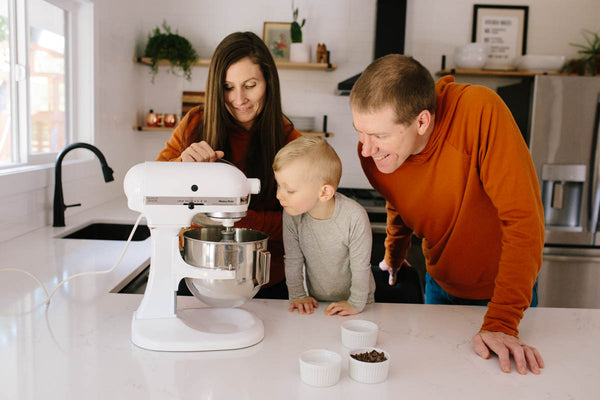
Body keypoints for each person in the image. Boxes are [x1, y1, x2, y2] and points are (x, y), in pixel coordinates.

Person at [349, 54, 545, 374]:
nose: (366, 150)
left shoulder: (480, 112)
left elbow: (524, 222)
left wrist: (502, 321)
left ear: (422, 122)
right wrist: (394, 255)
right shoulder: (372, 154)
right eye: (360, 131)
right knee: (437, 382)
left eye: (380, 136)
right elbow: (398, 197)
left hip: (504, 299)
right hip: (439, 288)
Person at [156, 31, 302, 299]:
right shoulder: (194, 124)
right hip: (194, 275)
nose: (238, 99)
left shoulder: (289, 139)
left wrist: (239, 218)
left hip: (264, 283)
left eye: (250, 85)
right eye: (227, 87)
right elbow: (154, 188)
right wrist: (181, 165)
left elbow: (301, 220)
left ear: (268, 82)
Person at [273, 136, 376, 316]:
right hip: (318, 302)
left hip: (359, 303)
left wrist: (356, 304)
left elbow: (361, 267)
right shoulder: (292, 214)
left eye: (289, 190)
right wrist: (297, 295)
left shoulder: (355, 217)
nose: (279, 196)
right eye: (278, 186)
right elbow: (293, 260)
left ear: (324, 192)